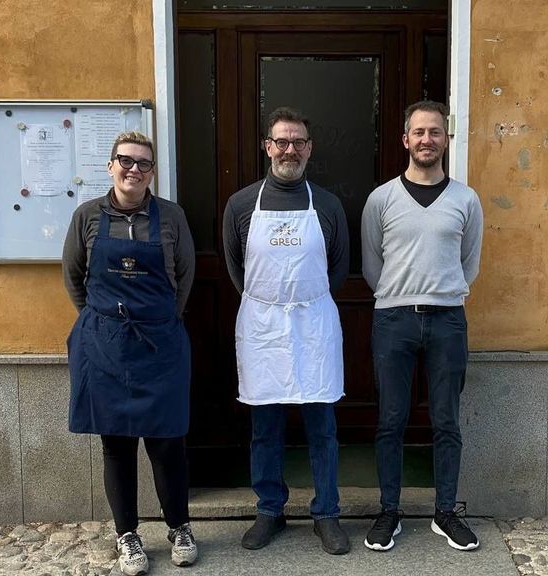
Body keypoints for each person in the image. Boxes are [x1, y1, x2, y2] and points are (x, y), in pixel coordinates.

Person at [63, 131, 198, 574]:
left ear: (152, 172)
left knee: (167, 442)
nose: (134, 169)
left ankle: (179, 527)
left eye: (143, 163)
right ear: (111, 166)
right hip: (106, 347)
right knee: (116, 444)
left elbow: (185, 276)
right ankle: (127, 535)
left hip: (160, 345)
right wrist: (103, 322)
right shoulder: (86, 216)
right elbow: (73, 277)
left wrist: (160, 319)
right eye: (126, 160)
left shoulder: (172, 217)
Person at [222, 107, 351, 555]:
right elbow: (235, 268)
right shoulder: (241, 205)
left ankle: (327, 513)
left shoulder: (328, 206)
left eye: (298, 142)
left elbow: (339, 268)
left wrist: (302, 302)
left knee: (323, 427)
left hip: (314, 325)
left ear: (309, 149)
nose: (289, 150)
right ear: (268, 147)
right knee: (265, 428)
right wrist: (271, 304)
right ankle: (269, 510)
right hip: (263, 328)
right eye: (281, 141)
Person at [361, 100, 484, 552]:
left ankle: (445, 512)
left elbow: (469, 263)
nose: (426, 140)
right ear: (405, 140)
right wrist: (402, 293)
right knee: (390, 420)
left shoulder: (466, 200)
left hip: (448, 318)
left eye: (435, 132)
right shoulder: (381, 199)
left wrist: (441, 292)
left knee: (446, 421)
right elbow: (373, 265)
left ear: (445, 140)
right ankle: (389, 512)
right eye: (419, 132)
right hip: (394, 318)